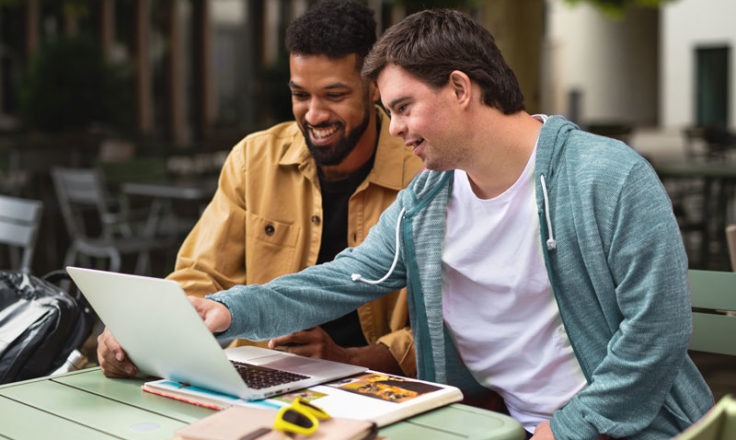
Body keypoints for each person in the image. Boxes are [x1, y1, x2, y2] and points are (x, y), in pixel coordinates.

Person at [190, 9, 713, 439]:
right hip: (489, 426)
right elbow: (343, 277)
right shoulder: (429, 199)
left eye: (402, 107)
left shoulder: (608, 177)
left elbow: (656, 334)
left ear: (460, 88)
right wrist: (228, 310)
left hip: (633, 428)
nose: (393, 129)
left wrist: (567, 429)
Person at [96, 0, 422, 379]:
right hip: (250, 379)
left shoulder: (422, 173)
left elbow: (444, 325)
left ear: (373, 89)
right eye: (300, 95)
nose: (314, 115)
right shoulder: (255, 158)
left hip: (376, 388)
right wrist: (142, 332)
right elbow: (201, 274)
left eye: (334, 96)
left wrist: (350, 359)